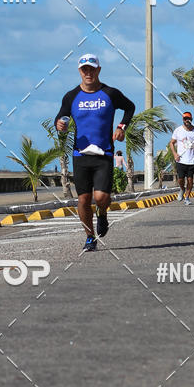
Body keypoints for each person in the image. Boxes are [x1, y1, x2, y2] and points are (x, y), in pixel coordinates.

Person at [55, 54, 135, 252]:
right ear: (80, 71)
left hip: (104, 154)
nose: (88, 73)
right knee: (82, 199)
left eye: (92, 69)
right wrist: (60, 125)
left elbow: (129, 107)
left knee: (100, 198)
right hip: (80, 155)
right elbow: (61, 116)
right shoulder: (71, 96)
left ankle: (102, 214)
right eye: (85, 69)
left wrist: (122, 127)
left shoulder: (110, 93)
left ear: (99, 70)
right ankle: (90, 237)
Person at [170, 111, 194, 205]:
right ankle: (182, 189)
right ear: (183, 120)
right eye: (185, 118)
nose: (187, 120)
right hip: (180, 160)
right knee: (180, 179)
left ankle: (187, 197)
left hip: (192, 160)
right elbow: (171, 143)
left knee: (190, 180)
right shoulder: (178, 130)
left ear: (191, 120)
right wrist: (175, 154)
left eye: (188, 119)